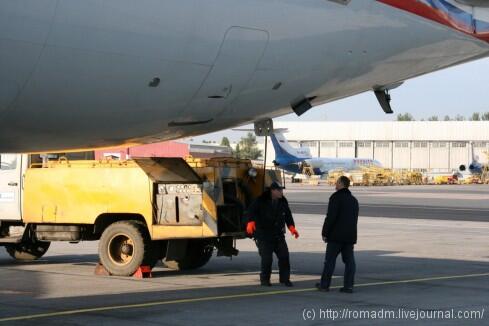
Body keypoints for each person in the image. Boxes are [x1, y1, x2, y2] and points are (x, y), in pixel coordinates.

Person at [246, 181, 299, 287]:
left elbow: (288, 215)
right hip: (264, 235)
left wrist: (292, 227)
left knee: (284, 257)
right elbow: (250, 211)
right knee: (267, 259)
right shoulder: (261, 200)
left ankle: (285, 279)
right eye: (279, 190)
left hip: (278, 234)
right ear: (272, 190)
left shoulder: (283, 201)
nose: (281, 192)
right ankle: (265, 280)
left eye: (282, 190)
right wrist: (250, 222)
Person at [316, 176, 359, 293]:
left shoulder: (336, 198)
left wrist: (325, 232)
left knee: (329, 261)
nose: (335, 184)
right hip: (349, 236)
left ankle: (324, 285)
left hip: (336, 236)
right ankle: (348, 286)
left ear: (341, 183)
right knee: (350, 262)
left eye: (337, 182)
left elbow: (331, 217)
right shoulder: (354, 200)